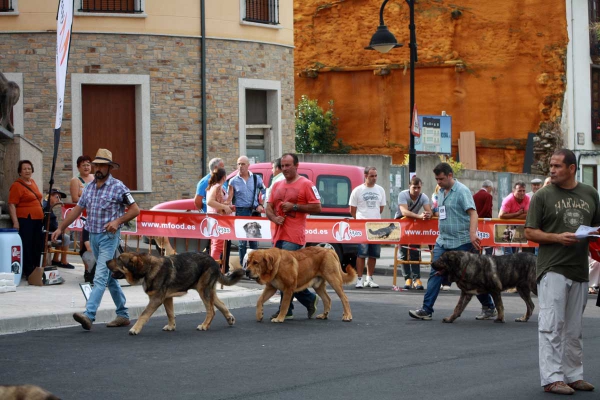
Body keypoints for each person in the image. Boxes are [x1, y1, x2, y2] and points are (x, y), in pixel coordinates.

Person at [524, 149, 598, 394]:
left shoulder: (590, 193)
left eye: (557, 166)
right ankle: (552, 378)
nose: (552, 170)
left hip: (579, 269)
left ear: (572, 168)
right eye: (551, 166)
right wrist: (557, 237)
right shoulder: (542, 196)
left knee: (574, 327)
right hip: (552, 267)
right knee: (552, 325)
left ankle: (573, 375)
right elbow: (530, 232)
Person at [52, 149, 140, 331]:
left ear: (109, 168)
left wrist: (117, 221)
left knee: (100, 276)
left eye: (102, 165)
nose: (98, 168)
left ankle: (89, 314)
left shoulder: (118, 187)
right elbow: (77, 209)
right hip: (93, 236)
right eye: (96, 165)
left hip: (109, 237)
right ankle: (123, 314)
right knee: (110, 277)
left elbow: (135, 210)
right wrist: (61, 228)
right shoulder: (90, 187)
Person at [409, 162, 496, 321]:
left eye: (441, 178)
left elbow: (473, 213)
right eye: (436, 179)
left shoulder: (462, 191)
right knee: (435, 272)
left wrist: (472, 234)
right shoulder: (441, 191)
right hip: (443, 241)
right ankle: (426, 309)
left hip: (462, 242)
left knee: (471, 278)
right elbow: (442, 210)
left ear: (450, 175)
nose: (438, 182)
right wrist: (431, 213)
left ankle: (489, 306)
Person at [266, 153, 321, 319]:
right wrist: (274, 217)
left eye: (288, 165)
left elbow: (317, 207)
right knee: (282, 274)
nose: (285, 169)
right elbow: (268, 207)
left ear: (297, 166)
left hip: (294, 236)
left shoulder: (306, 184)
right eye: (282, 166)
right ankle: (309, 300)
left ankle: (286, 310)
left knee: (285, 275)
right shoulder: (277, 185)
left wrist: (295, 206)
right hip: (278, 235)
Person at [350, 166, 387, 289]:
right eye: (372, 176)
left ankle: (369, 278)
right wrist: (360, 220)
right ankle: (359, 279)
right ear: (365, 176)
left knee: (374, 253)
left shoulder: (380, 190)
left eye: (376, 175)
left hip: (376, 225)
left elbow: (381, 208)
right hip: (362, 226)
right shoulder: (357, 190)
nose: (374, 178)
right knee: (361, 253)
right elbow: (352, 210)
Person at [8, 160, 44, 281]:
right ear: (19, 171)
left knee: (37, 245)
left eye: (29, 168)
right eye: (24, 169)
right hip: (26, 219)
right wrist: (15, 222)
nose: (27, 171)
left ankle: (35, 269)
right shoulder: (16, 185)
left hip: (37, 219)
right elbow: (12, 204)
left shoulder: (32, 182)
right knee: (27, 245)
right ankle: (28, 271)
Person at [394, 176, 432, 290]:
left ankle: (416, 278)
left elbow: (428, 210)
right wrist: (419, 216)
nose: (416, 190)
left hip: (414, 225)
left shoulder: (423, 196)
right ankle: (407, 278)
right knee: (403, 251)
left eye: (418, 187)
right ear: (409, 186)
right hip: (401, 224)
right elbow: (404, 211)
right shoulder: (403, 195)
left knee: (415, 251)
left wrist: (427, 214)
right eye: (414, 187)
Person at [228, 155, 266, 264]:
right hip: (240, 211)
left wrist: (261, 204)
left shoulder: (256, 178)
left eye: (243, 164)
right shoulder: (233, 181)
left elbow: (264, 191)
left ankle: (255, 266)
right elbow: (230, 199)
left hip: (253, 211)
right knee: (242, 242)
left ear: (248, 166)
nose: (241, 166)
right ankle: (243, 267)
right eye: (239, 164)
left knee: (253, 241)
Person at [70, 155, 95, 282]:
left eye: (88, 164)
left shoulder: (95, 178)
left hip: (95, 215)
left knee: (95, 244)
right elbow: (75, 198)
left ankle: (94, 269)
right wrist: (88, 200)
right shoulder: (76, 180)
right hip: (83, 216)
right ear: (78, 167)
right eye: (83, 165)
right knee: (85, 245)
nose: (86, 167)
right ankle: (87, 270)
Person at [193, 157, 224, 254]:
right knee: (213, 246)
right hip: (211, 219)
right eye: (222, 167)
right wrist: (204, 213)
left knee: (221, 247)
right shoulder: (204, 182)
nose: (224, 169)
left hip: (222, 218)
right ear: (215, 168)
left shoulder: (222, 180)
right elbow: (197, 201)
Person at [206, 167, 234, 262]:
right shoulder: (217, 187)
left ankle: (212, 268)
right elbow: (210, 202)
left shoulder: (215, 186)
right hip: (218, 220)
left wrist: (228, 205)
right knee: (217, 246)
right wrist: (225, 207)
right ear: (224, 177)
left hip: (216, 220)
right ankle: (213, 269)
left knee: (216, 245)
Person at [42, 189, 74, 269]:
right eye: (57, 197)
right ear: (50, 196)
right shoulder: (46, 206)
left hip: (49, 231)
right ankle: (63, 261)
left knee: (61, 235)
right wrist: (57, 229)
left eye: (60, 198)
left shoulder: (48, 206)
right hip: (44, 232)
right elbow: (48, 223)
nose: (59, 200)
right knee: (66, 238)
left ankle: (56, 259)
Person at [498, 181, 529, 254]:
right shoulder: (508, 199)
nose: (522, 193)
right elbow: (501, 216)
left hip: (518, 228)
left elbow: (527, 215)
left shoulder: (527, 198)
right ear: (513, 191)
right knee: (508, 255)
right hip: (506, 229)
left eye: (523, 191)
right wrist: (517, 213)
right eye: (519, 191)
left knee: (515, 254)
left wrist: (510, 216)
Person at [473, 180, 494, 255]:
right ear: (489, 187)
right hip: (485, 223)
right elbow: (487, 209)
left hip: (475, 224)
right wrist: (480, 218)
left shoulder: (474, 196)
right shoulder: (488, 196)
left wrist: (476, 219)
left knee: (477, 243)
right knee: (488, 243)